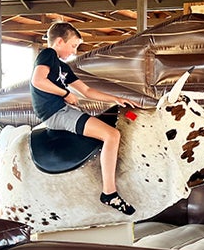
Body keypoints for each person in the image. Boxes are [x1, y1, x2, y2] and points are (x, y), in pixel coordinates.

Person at [31, 21, 141, 215]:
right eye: (73, 46)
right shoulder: (48, 54)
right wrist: (65, 94)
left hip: (63, 109)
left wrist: (116, 99)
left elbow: (87, 91)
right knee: (112, 135)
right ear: (59, 41)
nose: (74, 51)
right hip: (56, 113)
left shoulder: (63, 67)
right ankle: (109, 193)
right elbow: (38, 81)